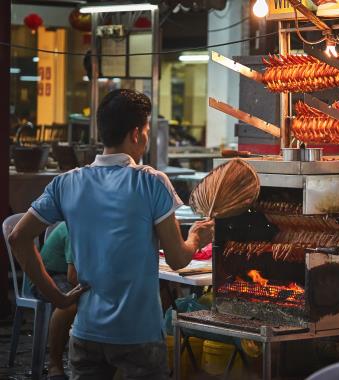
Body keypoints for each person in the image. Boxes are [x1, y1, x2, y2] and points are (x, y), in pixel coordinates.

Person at [9, 89, 214, 380]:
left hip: (85, 333)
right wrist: (196, 237)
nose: (145, 137)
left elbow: (18, 237)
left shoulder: (67, 183)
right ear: (136, 134)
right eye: (145, 130)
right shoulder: (151, 182)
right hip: (138, 336)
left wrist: (59, 298)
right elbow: (178, 259)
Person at [31, 222, 77, 380]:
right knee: (70, 304)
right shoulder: (77, 227)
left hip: (70, 274)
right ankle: (54, 364)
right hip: (48, 277)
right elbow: (73, 276)